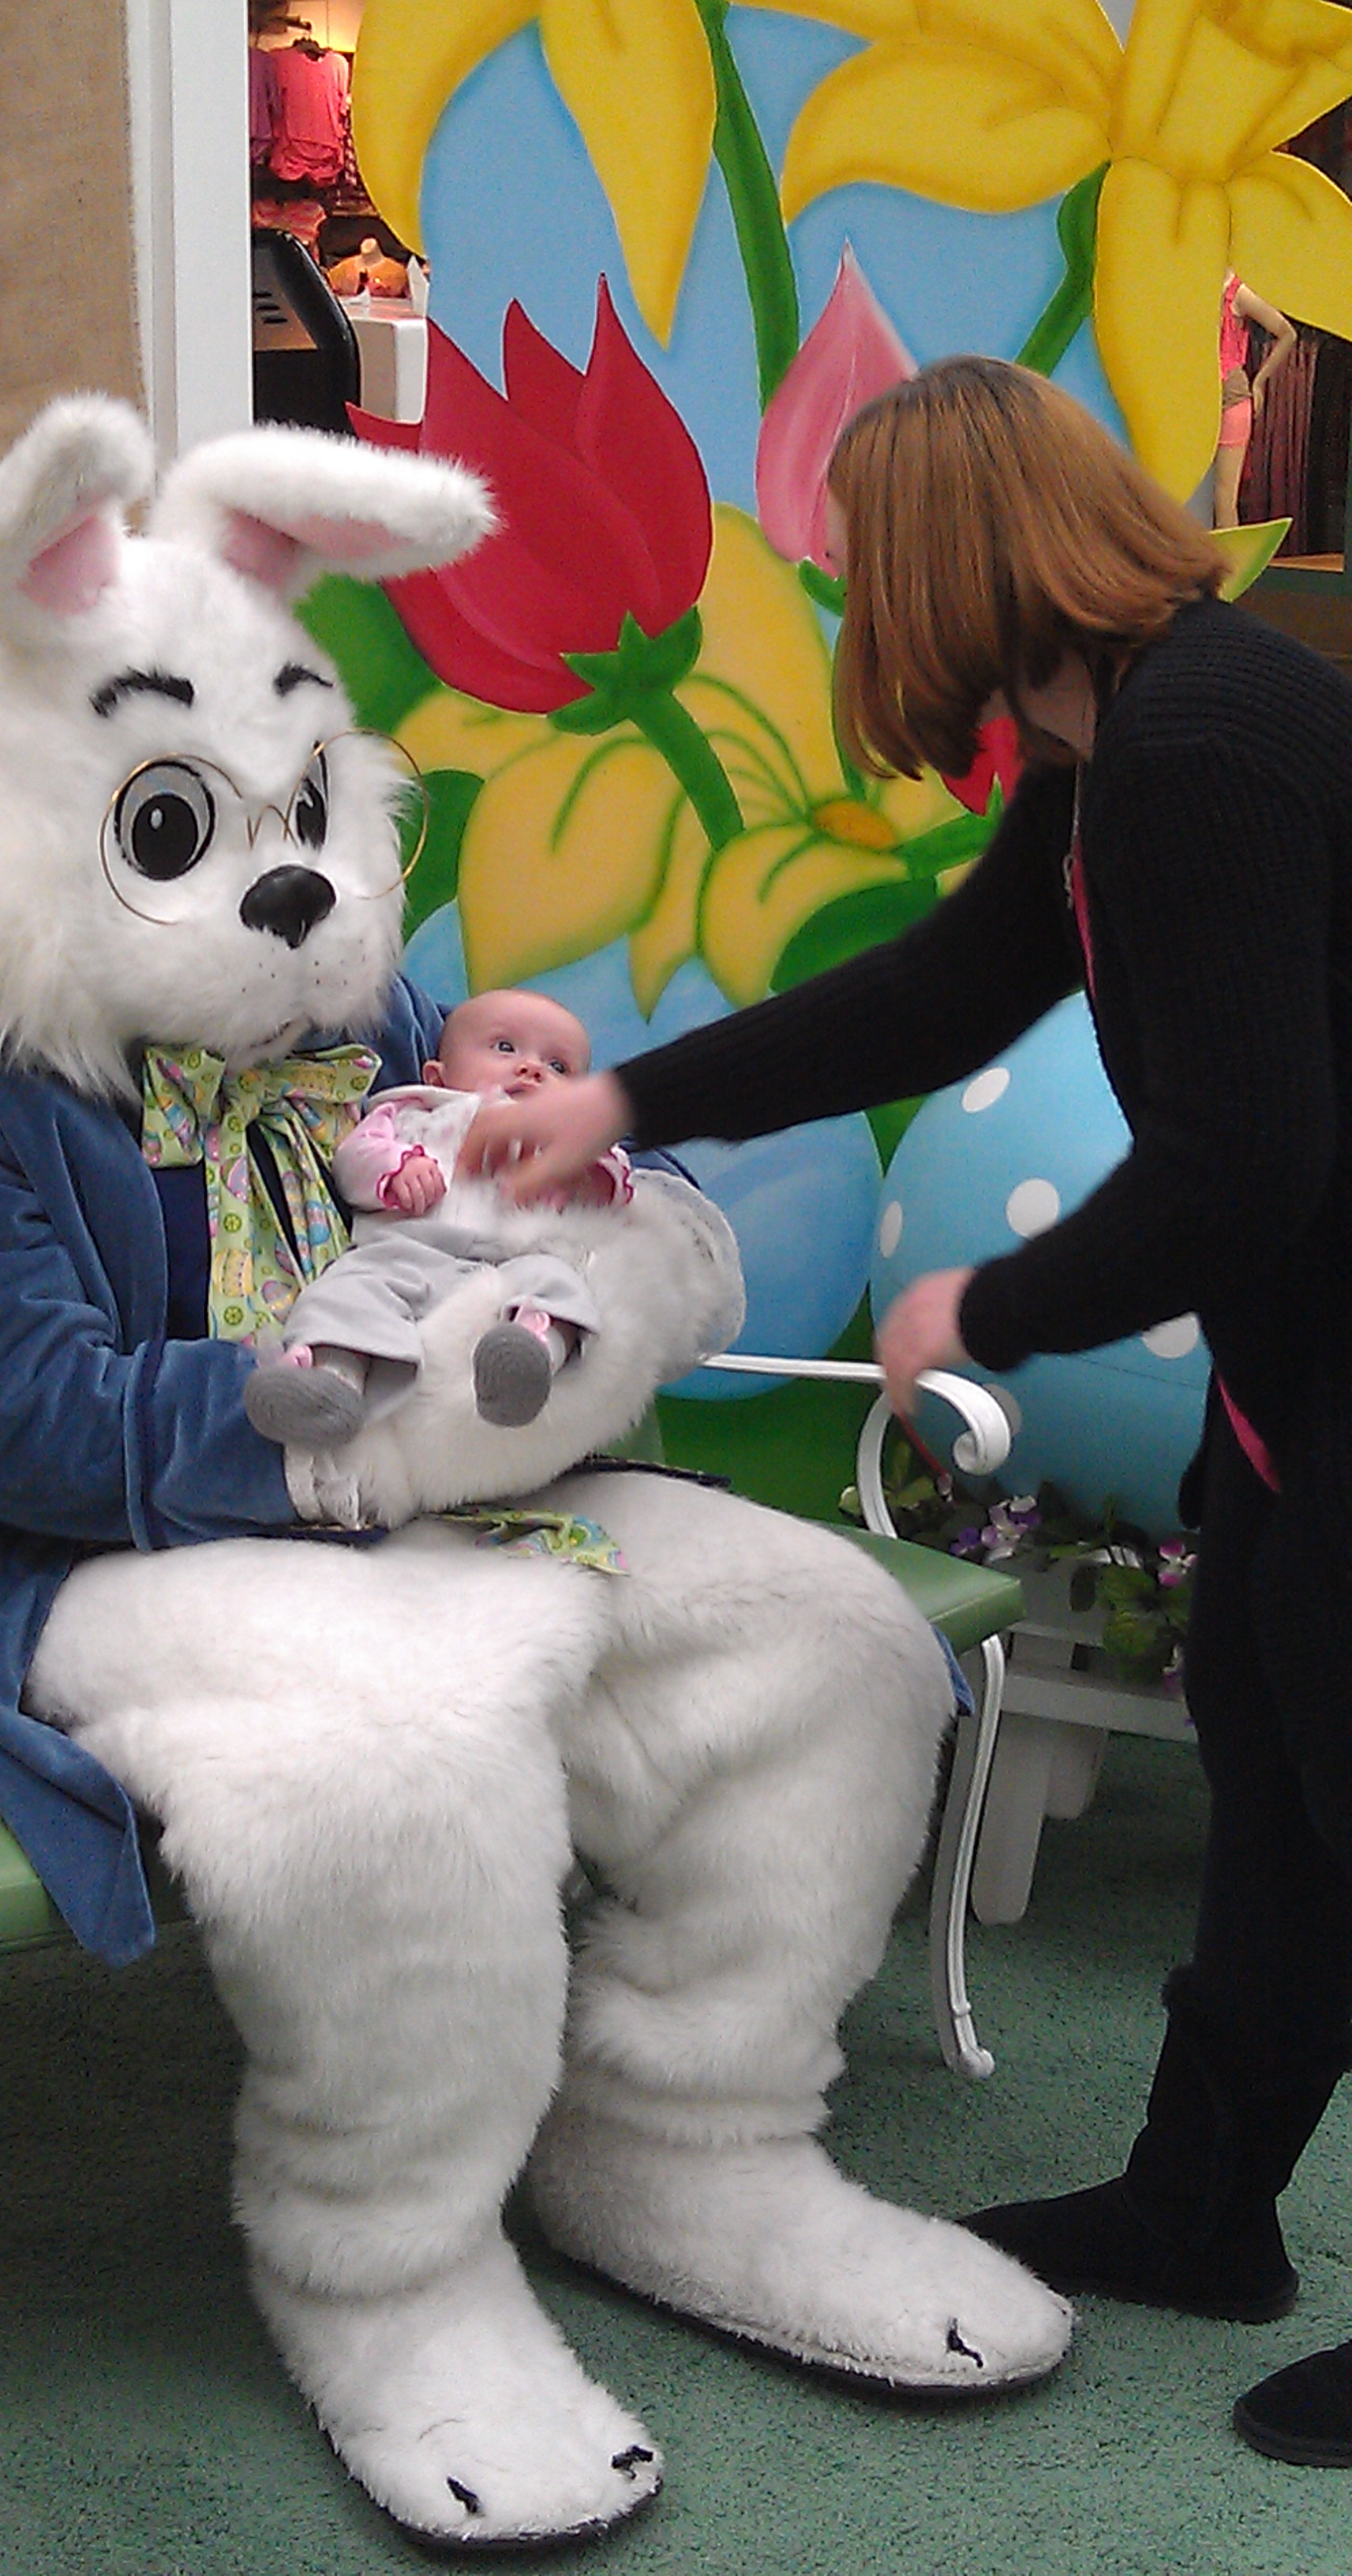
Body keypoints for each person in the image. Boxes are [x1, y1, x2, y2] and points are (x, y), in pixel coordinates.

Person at [459, 353, 1352, 2470]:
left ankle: (1208, 2205)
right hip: (1297, 1383)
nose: (845, 591)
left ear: (955, 560)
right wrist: (623, 1098)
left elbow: (1251, 1163)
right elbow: (952, 991)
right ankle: (1200, 2212)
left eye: (859, 559)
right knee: (1277, 1762)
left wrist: (985, 1302)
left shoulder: (1198, 749)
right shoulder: (1110, 734)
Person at [244, 985, 633, 1447]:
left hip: (513, 1259)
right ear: (439, 1073)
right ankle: (331, 1381)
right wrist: (397, 1169)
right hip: (406, 1250)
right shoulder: (412, 1111)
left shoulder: (565, 1135)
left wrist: (581, 1170)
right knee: (348, 1288)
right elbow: (353, 1158)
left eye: (559, 1067)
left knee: (561, 1283)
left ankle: (529, 1359)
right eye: (505, 1047)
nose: (531, 1068)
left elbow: (618, 1184)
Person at [1214, 272, 1296, 530]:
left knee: (1224, 497)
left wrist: (1259, 380)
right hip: (1196, 397)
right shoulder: (1191, 282)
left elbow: (1287, 333)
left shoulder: (1236, 291)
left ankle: (1232, 569)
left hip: (1231, 395)